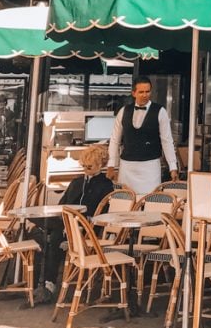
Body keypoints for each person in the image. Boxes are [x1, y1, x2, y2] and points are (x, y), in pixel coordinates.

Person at [34, 145, 114, 303]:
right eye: (83, 166)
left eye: (89, 167)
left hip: (87, 228)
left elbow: (102, 214)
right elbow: (62, 204)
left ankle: (48, 285)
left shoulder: (105, 186)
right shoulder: (77, 182)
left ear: (100, 165)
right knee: (39, 235)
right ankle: (42, 283)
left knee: (53, 238)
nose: (85, 169)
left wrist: (75, 225)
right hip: (67, 224)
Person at [106, 77, 178, 196]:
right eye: (141, 92)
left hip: (150, 167)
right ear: (133, 93)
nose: (145, 95)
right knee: (126, 202)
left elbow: (167, 141)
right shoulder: (123, 111)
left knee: (150, 201)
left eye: (147, 91)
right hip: (127, 167)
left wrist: (172, 166)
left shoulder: (160, 111)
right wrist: (111, 164)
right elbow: (114, 140)